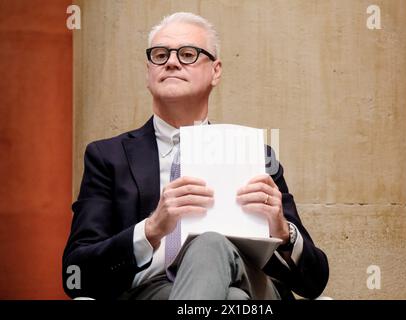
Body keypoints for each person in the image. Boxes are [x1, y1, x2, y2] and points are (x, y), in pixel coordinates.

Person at [62, 12, 328, 300]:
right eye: (160, 55)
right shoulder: (108, 157)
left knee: (210, 245)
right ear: (148, 72)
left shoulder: (255, 155)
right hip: (157, 291)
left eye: (188, 54)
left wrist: (283, 231)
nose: (172, 62)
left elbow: (314, 283)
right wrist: (150, 230)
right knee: (233, 300)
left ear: (215, 70)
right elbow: (74, 274)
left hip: (254, 284)